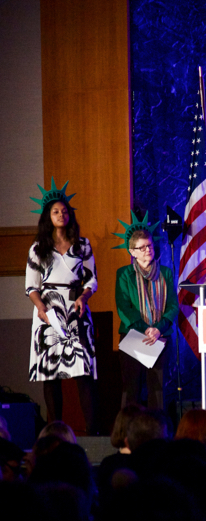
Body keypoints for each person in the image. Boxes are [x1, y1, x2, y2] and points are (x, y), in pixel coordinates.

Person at [26, 178, 97, 433]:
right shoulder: (38, 248)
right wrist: (41, 308)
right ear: (48, 216)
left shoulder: (82, 245)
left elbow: (91, 280)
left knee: (83, 373)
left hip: (76, 309)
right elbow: (31, 287)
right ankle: (54, 431)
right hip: (48, 313)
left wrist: (83, 297)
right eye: (56, 211)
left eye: (64, 211)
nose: (61, 214)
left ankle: (92, 433)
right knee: (51, 373)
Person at [115, 221, 179, 409]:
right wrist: (145, 329)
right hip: (133, 335)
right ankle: (128, 425)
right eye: (141, 248)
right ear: (132, 252)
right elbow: (124, 307)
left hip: (160, 336)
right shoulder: (124, 274)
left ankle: (157, 425)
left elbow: (173, 305)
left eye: (149, 245)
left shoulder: (165, 272)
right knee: (131, 388)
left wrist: (158, 329)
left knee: (157, 389)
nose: (147, 250)